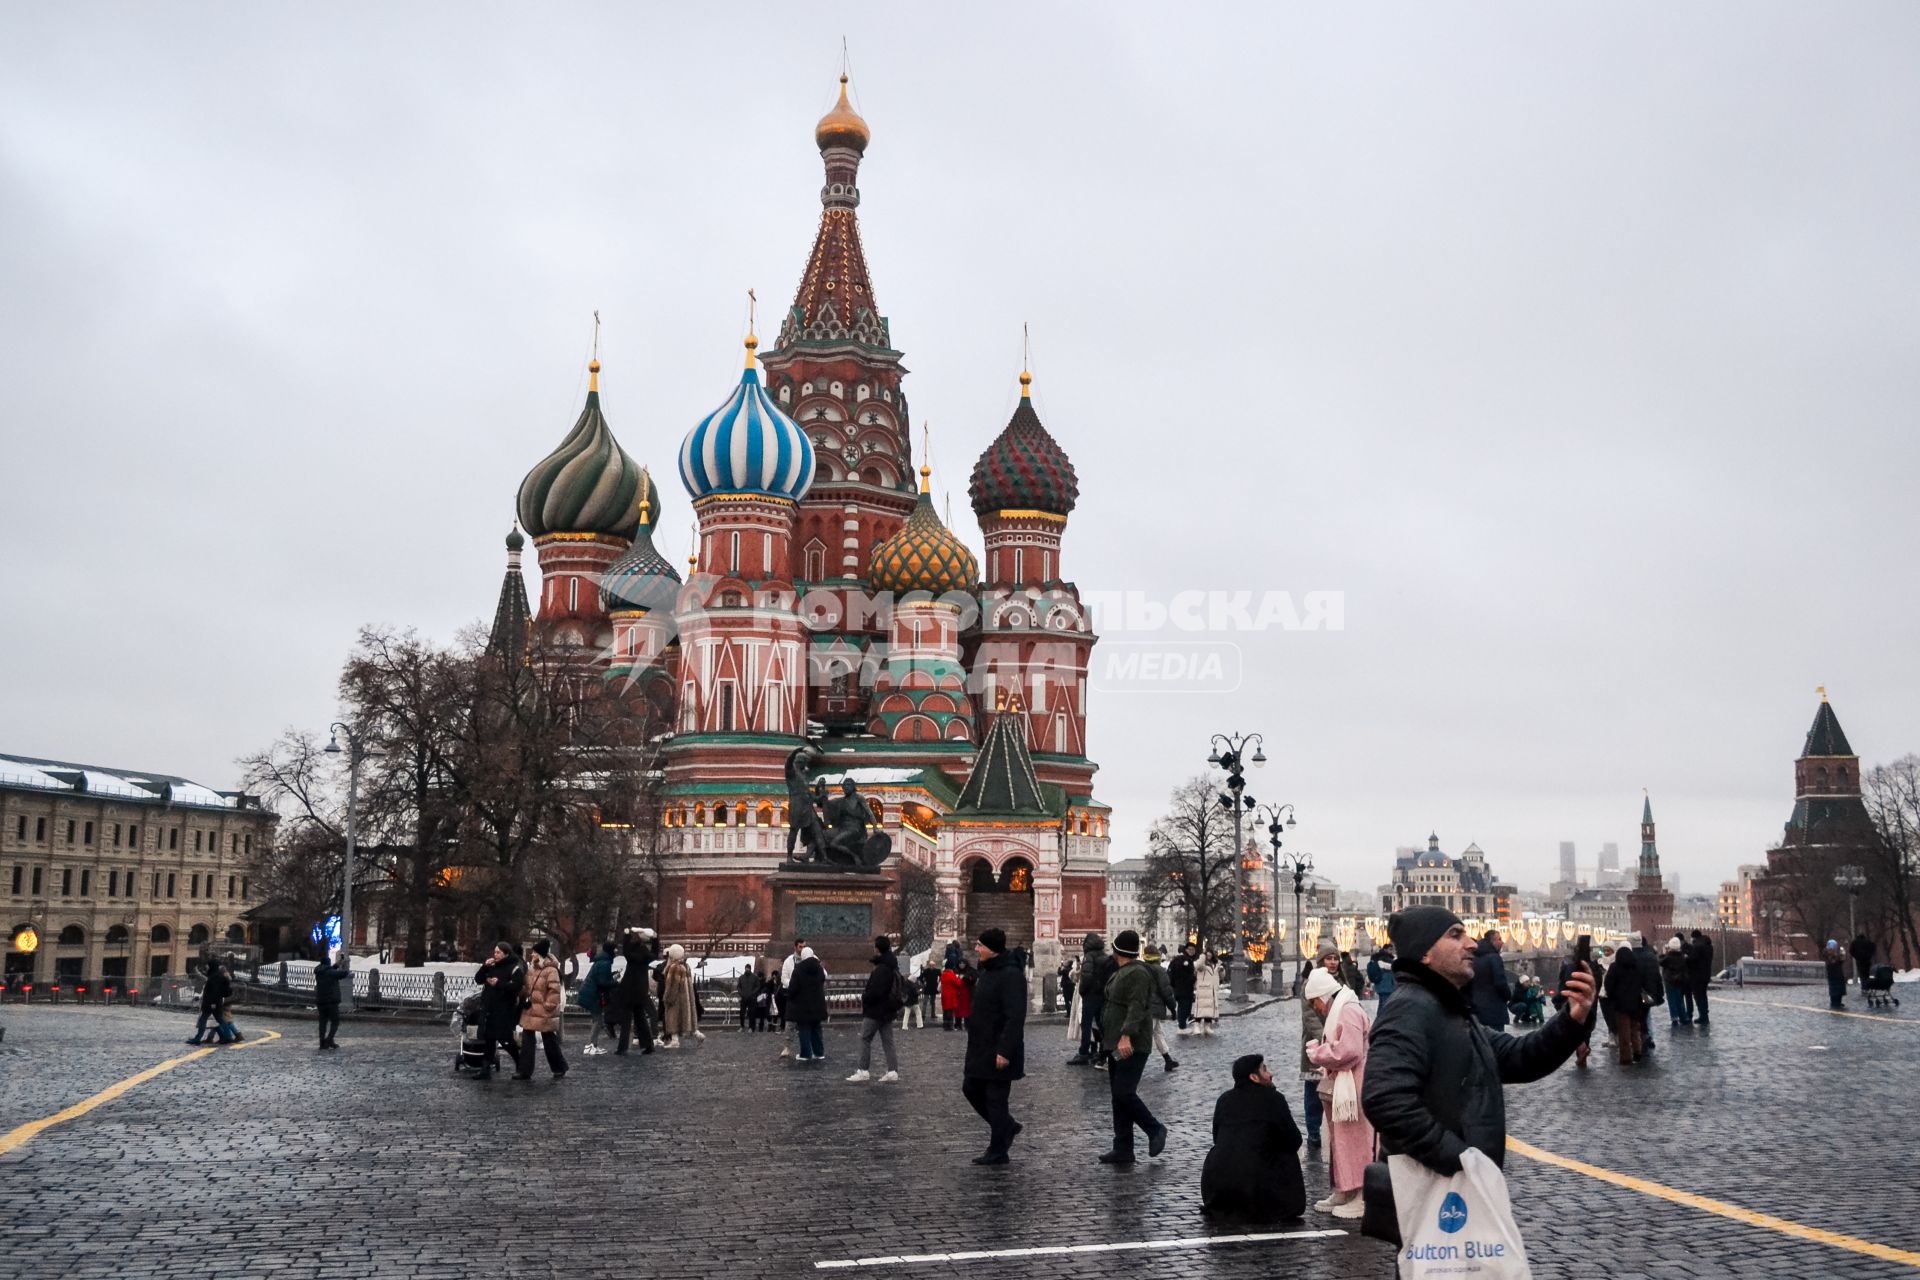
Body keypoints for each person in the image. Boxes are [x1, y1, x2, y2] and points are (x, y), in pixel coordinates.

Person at [1363, 907, 1596, 1186]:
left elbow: (1520, 1057)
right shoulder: (1409, 1009)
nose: (1472, 944)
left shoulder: (1447, 1008)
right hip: (1432, 1196)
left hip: (1455, 1189)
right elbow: (1385, 1099)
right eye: (1455, 935)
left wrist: (1572, 1017)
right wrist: (1460, 1159)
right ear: (1424, 953)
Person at [1303, 966, 1374, 1219]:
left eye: (1315, 1002)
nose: (1315, 1008)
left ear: (1323, 996)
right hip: (1346, 1085)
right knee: (1340, 1139)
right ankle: (1345, 1188)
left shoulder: (1348, 1011)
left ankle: (1362, 1193)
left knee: (1354, 1139)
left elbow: (1350, 1051)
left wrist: (1319, 1053)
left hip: (1354, 1085)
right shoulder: (1342, 1009)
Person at [1202, 1054, 1306, 1222]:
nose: (1271, 1074)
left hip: (1220, 1193)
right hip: (1260, 1191)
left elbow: (1217, 1138)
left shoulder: (1224, 1100)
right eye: (1265, 1070)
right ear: (1254, 1077)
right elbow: (1294, 1139)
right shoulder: (1274, 1098)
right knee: (1287, 1153)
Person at [1098, 929, 1168, 1166]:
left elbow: (1137, 1006)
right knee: (1118, 1097)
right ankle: (1123, 1148)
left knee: (1123, 1092)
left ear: (1118, 949)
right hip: (1115, 1042)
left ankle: (1155, 1129)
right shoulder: (1123, 971)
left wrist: (1126, 1035)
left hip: (1131, 1043)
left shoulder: (1137, 973)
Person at [963, 927, 1027, 1166]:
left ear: (992, 949)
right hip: (981, 1047)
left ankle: (998, 1149)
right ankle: (1006, 1127)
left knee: (996, 1099)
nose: (977, 949)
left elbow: (1015, 1016)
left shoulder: (1011, 975)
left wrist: (1004, 1051)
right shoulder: (988, 971)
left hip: (999, 1049)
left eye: (980, 945)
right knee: (970, 1087)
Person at [1297, 944, 1342, 1151]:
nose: (1333, 962)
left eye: (1335, 958)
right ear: (1321, 961)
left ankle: (1337, 1131)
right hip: (1317, 1045)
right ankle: (1314, 1132)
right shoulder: (1310, 984)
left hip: (1340, 1044)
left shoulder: (1343, 982)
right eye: (1329, 958)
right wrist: (1326, 1037)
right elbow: (1309, 1017)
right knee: (1314, 1090)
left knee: (1339, 1089)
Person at [848, 935, 904, 1083]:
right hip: (888, 1010)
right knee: (888, 1041)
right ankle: (892, 1071)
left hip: (876, 1010)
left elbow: (876, 991)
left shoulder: (882, 969)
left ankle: (863, 1070)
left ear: (877, 949)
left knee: (865, 1038)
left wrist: (865, 997)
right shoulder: (892, 965)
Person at [516, 938, 569, 1080]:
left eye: (534, 952)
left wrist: (549, 1006)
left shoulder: (551, 970)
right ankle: (524, 1071)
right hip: (531, 1009)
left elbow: (554, 991)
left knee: (549, 1040)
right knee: (528, 1040)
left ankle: (559, 1067)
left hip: (544, 1011)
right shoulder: (532, 968)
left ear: (539, 954)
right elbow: (528, 987)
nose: (531, 954)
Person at [472, 941, 524, 1080]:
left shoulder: (514, 968)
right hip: (489, 1008)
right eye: (495, 952)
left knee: (506, 1040)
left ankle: (520, 1064)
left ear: (506, 953)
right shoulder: (492, 966)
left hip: (504, 1010)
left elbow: (516, 987)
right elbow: (478, 979)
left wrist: (499, 984)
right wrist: (484, 967)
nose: (496, 955)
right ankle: (485, 1069)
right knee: (489, 1039)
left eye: (499, 952)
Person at [1602, 932, 1647, 1065]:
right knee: (1635, 1028)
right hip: (1635, 1003)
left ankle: (1626, 1057)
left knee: (1624, 1032)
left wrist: (1611, 996)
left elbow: (1608, 984)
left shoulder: (1615, 967)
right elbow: (1642, 982)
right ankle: (1638, 1052)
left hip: (1620, 1004)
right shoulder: (1637, 966)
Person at [1067, 933, 1112, 1065]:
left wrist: (1082, 991)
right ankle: (1103, 1051)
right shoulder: (1105, 957)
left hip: (1090, 995)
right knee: (1101, 1024)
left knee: (1086, 1025)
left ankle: (1083, 1052)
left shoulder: (1089, 957)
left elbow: (1086, 977)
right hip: (1102, 995)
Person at [612, 934, 655, 1055]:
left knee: (626, 1022)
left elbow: (626, 949)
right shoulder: (647, 958)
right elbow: (655, 952)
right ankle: (648, 1045)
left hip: (628, 992)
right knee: (641, 1020)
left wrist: (626, 935)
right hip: (640, 993)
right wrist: (655, 939)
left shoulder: (631, 958)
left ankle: (623, 1047)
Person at [1143, 944, 1180, 1073]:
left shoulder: (1141, 968)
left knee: (1158, 1033)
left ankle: (1168, 1060)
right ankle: (1114, 1058)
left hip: (1145, 1007)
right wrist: (1173, 1008)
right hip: (1154, 1007)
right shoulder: (1159, 970)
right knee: (1144, 1037)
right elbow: (1166, 991)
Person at [788, 944, 829, 1061]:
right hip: (818, 1004)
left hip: (803, 1005)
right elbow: (822, 980)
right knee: (816, 1028)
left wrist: (792, 997)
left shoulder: (799, 969)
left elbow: (793, 988)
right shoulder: (819, 968)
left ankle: (805, 1054)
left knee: (804, 1029)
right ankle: (819, 1052)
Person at [579, 942, 617, 1056]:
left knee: (598, 1020)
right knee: (598, 1020)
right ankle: (590, 1045)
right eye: (614, 949)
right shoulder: (605, 963)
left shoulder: (601, 961)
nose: (616, 952)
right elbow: (602, 982)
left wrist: (611, 976)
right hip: (593, 995)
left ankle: (593, 1045)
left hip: (591, 993)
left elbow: (601, 978)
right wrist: (615, 982)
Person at [1468, 929, 1512, 1029]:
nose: (1502, 942)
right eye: (1499, 939)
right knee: (1497, 1041)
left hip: (1477, 1009)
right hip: (1494, 1010)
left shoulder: (1474, 957)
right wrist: (1508, 996)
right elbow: (1500, 982)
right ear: (1492, 941)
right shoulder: (1494, 958)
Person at [659, 943, 700, 1049]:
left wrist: (667, 998)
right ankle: (697, 1034)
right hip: (685, 998)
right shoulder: (685, 966)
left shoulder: (673, 967)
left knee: (672, 1018)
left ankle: (675, 1040)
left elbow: (672, 985)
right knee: (685, 1018)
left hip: (676, 999)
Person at [1631, 932, 1663, 1053]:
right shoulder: (1651, 956)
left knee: (1638, 1018)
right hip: (1650, 993)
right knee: (1646, 1015)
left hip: (1636, 993)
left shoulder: (1632, 957)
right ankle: (1648, 1037)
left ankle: (1642, 1039)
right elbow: (1657, 977)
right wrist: (1660, 992)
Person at [186, 959, 231, 1045]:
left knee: (203, 1020)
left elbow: (214, 992)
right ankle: (226, 1037)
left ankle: (197, 1039)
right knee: (219, 1020)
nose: (206, 967)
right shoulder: (217, 975)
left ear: (211, 966)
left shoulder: (214, 977)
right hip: (215, 1003)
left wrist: (212, 1003)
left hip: (211, 1003)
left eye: (208, 965)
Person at [312, 950, 349, 1050]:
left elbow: (330, 969)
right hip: (331, 1002)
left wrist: (338, 963)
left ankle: (322, 1042)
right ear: (328, 963)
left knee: (322, 1022)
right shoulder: (331, 973)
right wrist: (344, 964)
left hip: (321, 1001)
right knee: (335, 1021)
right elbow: (344, 973)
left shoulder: (319, 972)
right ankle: (329, 1040)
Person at [1660, 937, 1692, 1027]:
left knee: (1672, 1000)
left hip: (1669, 982)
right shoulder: (1682, 957)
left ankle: (1674, 1018)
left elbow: (1660, 962)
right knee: (1680, 1000)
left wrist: (1663, 953)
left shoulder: (1668, 957)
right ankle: (1683, 1017)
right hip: (1679, 981)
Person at [1191, 949, 1221, 1037]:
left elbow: (1220, 977)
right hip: (1203, 989)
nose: (1209, 956)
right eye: (1207, 955)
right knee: (1200, 1008)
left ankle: (1207, 1026)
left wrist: (1222, 971)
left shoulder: (1216, 964)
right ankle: (1197, 1025)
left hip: (1212, 989)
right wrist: (1202, 957)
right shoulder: (1201, 964)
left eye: (1210, 954)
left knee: (1209, 1009)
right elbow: (1197, 966)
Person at [1168, 942, 1198, 1031]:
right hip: (1183, 989)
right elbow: (1182, 975)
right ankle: (1182, 1027)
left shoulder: (1183, 959)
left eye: (1193, 950)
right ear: (1186, 950)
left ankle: (1183, 1026)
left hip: (1183, 989)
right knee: (1183, 1008)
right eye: (1190, 949)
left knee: (1186, 1007)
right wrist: (1193, 977)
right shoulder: (1184, 960)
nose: (1192, 951)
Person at [1686, 929, 1714, 1025]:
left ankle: (1703, 1016)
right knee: (1703, 995)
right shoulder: (1709, 946)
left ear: (1694, 937)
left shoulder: (1697, 946)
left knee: (1699, 996)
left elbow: (1692, 960)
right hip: (1706, 974)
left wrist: (1686, 958)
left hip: (1697, 976)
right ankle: (1705, 1015)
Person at [1366, 945, 1397, 1009]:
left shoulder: (1380, 957)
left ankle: (1380, 1018)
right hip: (1386, 986)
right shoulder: (1384, 958)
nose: (1392, 951)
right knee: (1386, 1006)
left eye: (1392, 949)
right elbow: (1391, 967)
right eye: (1390, 949)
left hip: (1383, 986)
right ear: (1385, 950)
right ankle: (1383, 1018)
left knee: (1382, 1005)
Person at [1823, 939, 1848, 1010]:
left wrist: (1842, 952)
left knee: (1839, 989)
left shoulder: (1835, 953)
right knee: (1834, 989)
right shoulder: (1828, 954)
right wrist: (1838, 956)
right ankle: (1834, 1003)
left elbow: (1842, 960)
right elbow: (1833, 962)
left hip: (1838, 973)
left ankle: (1838, 1002)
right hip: (1833, 974)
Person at [918, 956, 941, 1028]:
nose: (932, 966)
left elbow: (941, 976)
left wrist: (939, 983)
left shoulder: (937, 971)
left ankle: (933, 1014)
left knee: (933, 1002)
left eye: (933, 965)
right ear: (929, 965)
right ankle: (923, 1014)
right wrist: (923, 983)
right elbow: (920, 977)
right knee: (925, 1002)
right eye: (931, 965)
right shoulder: (926, 971)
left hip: (933, 988)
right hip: (927, 988)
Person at [736, 963, 758, 1032]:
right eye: (746, 968)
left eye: (748, 968)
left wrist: (753, 993)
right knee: (742, 1013)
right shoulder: (741, 977)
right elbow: (738, 986)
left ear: (750, 969)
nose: (747, 970)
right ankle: (742, 1026)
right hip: (744, 998)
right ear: (745, 969)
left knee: (752, 1013)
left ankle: (751, 1027)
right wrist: (741, 993)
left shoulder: (754, 977)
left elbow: (757, 986)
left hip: (751, 998)